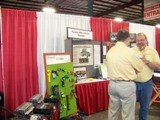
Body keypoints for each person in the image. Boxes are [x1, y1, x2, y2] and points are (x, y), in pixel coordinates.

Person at [106, 29, 143, 120]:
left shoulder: (110, 51)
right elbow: (140, 68)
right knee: (128, 114)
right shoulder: (129, 51)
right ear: (127, 39)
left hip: (112, 84)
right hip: (126, 85)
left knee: (112, 111)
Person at [132, 32, 160, 120]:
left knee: (145, 107)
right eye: (138, 40)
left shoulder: (152, 51)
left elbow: (158, 67)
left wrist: (147, 61)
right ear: (135, 41)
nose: (140, 42)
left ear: (146, 40)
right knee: (130, 107)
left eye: (142, 40)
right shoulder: (131, 51)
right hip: (133, 83)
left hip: (147, 83)